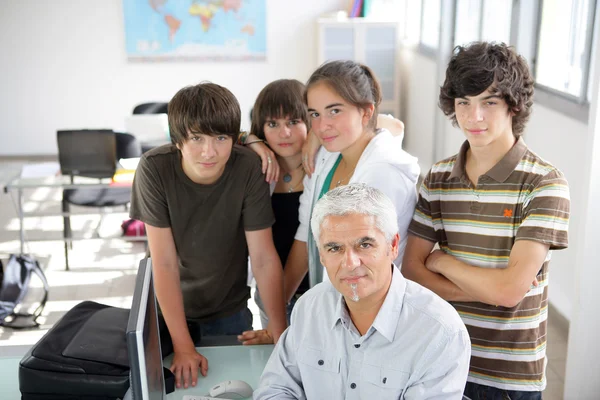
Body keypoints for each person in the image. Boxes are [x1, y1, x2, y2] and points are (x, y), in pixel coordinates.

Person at [402, 42, 570, 399]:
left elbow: (509, 291)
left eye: (489, 102)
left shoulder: (544, 183)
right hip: (443, 361)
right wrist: (488, 291)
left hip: (508, 379)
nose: (473, 117)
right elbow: (412, 270)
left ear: (514, 105)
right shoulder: (439, 177)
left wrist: (442, 261)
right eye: (463, 102)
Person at [129, 82, 287, 390]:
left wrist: (281, 334)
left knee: (241, 382)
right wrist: (184, 346)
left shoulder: (247, 168)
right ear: (177, 140)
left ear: (233, 137)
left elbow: (264, 258)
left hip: (228, 309)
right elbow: (163, 263)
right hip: (167, 310)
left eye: (220, 138)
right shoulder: (153, 169)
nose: (209, 151)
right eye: (196, 138)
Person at [254, 184, 471, 399]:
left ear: (393, 246)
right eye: (334, 248)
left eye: (365, 245)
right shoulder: (309, 308)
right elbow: (275, 390)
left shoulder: (440, 332)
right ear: (321, 255)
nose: (350, 263)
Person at [282, 60, 420, 304]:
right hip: (334, 307)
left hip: (371, 310)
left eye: (335, 111)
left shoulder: (383, 172)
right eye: (315, 114)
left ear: (366, 112)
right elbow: (306, 236)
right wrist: (277, 311)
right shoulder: (327, 155)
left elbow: (362, 265)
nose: (322, 126)